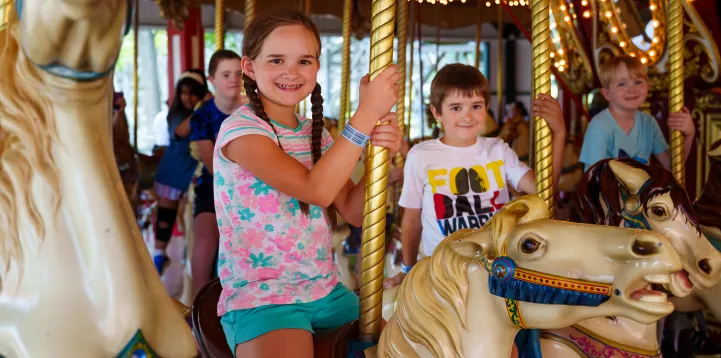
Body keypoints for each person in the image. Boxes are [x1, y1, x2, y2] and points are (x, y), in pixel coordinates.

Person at [213, 9, 401, 356]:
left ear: (317, 67)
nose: (291, 71)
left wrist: (381, 155)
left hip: (326, 291)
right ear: (249, 68)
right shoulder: (242, 132)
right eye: (276, 60)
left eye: (304, 60)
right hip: (264, 298)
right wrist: (364, 115)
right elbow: (317, 190)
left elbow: (353, 211)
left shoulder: (314, 135)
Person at [383, 63, 566, 287]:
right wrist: (407, 268)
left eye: (476, 106)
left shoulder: (498, 150)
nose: (468, 116)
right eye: (456, 107)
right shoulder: (421, 156)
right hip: (446, 267)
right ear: (436, 112)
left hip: (498, 263)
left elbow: (543, 190)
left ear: (487, 107)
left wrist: (559, 133)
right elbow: (411, 219)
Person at [579, 55, 695, 169]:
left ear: (648, 87)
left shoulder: (648, 123)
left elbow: (671, 165)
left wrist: (689, 135)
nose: (632, 89)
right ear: (606, 94)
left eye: (638, 82)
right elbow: (593, 177)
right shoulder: (599, 126)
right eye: (622, 84)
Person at [189, 50, 242, 296]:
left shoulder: (253, 110)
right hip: (214, 184)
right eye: (226, 74)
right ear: (212, 79)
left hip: (252, 185)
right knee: (207, 240)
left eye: (239, 74)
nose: (234, 79)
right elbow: (213, 165)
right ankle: (198, 304)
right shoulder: (202, 116)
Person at [151, 71, 208, 274]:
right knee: (166, 215)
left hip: (196, 172)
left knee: (192, 221)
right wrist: (204, 108)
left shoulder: (208, 112)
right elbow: (182, 130)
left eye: (193, 94)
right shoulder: (176, 114)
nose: (188, 98)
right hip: (173, 171)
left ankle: (189, 255)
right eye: (184, 93)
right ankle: (159, 255)